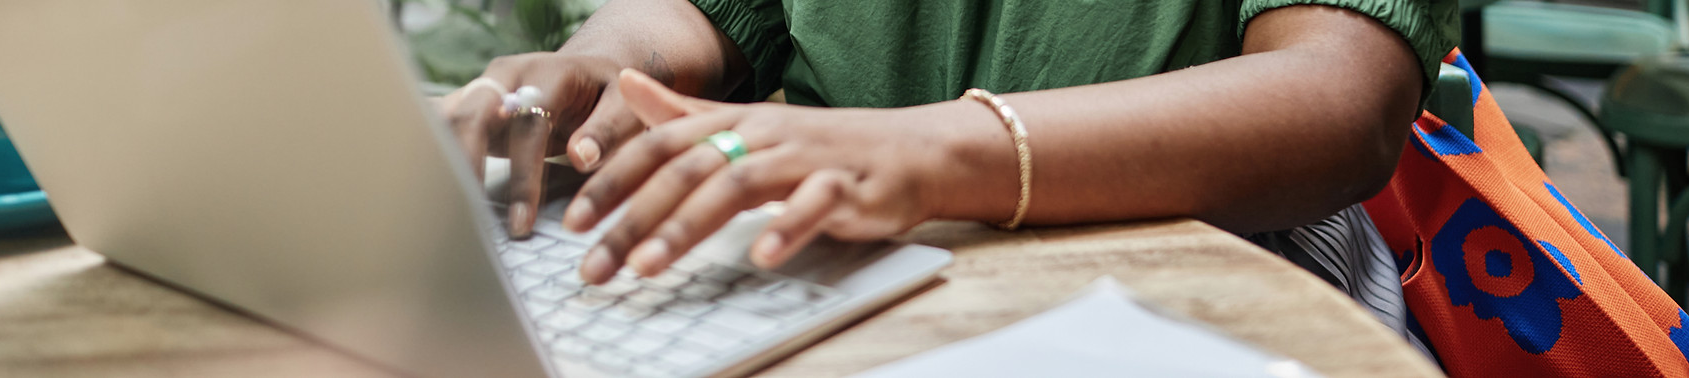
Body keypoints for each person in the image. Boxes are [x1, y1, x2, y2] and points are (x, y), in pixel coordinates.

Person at [438, 0, 1454, 357]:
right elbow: (704, 11)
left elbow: (1338, 100)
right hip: (856, 272)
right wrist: (608, 64)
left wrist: (929, 153)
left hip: (1216, 286)